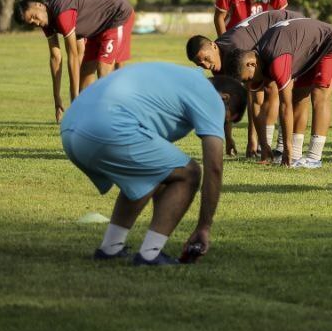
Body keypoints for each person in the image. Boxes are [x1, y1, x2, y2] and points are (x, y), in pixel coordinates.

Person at [59, 62, 247, 265]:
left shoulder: (182, 78)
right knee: (190, 172)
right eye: (226, 121)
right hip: (106, 127)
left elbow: (157, 171)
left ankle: (110, 248)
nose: (221, 126)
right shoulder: (210, 97)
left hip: (71, 127)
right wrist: (204, 227)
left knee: (150, 172)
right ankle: (150, 254)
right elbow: (215, 167)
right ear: (224, 98)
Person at [234, 17, 332, 168]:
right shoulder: (257, 60)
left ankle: (314, 157)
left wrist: (286, 148)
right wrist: (264, 146)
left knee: (319, 94)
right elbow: (259, 106)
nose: (249, 83)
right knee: (298, 96)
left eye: (248, 78)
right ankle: (296, 154)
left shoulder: (276, 59)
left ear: (252, 64)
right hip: (311, 51)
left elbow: (285, 105)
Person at [186, 7, 303, 157]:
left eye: (207, 59)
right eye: (201, 64)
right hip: (270, 30)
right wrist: (228, 139)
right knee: (265, 89)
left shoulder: (237, 51)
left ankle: (280, 148)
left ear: (214, 45)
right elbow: (225, 102)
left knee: (273, 87)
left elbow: (254, 100)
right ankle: (265, 145)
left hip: (288, 23)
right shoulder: (218, 64)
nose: (207, 66)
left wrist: (253, 141)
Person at [20, 0, 135, 122]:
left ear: (39, 5)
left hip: (116, 15)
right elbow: (56, 57)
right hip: (96, 29)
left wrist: (74, 102)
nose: (36, 22)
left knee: (103, 70)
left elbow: (73, 56)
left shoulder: (62, 11)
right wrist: (57, 99)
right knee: (85, 76)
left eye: (34, 17)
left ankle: (113, 119)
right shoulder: (46, 23)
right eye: (31, 23)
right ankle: (86, 120)